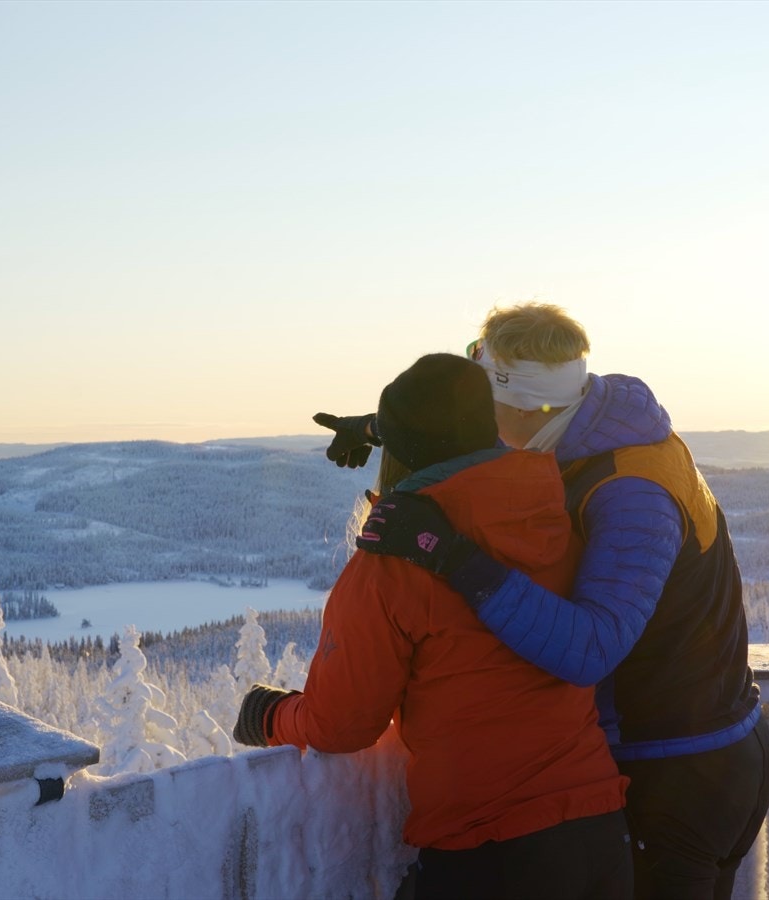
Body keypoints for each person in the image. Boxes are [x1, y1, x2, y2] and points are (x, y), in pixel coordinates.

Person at [317, 304, 769, 900]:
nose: (477, 418)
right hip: (692, 756)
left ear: (529, 406)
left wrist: (452, 557)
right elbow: (479, 426)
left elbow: (592, 649)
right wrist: (382, 427)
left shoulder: (630, 490)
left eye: (485, 403)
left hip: (681, 774)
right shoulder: (586, 426)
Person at [235, 352, 633, 900]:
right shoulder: (552, 511)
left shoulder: (391, 563)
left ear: (397, 450)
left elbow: (342, 724)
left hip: (492, 850)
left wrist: (272, 715)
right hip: (598, 826)